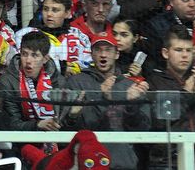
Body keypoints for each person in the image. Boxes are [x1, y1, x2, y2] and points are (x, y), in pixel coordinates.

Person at [62, 34, 151, 169]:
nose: (103, 54)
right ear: (91, 54)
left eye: (108, 50)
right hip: (87, 162)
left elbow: (144, 130)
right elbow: (65, 127)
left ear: (117, 54)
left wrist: (131, 105)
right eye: (98, 50)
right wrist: (102, 97)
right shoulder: (76, 83)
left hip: (122, 163)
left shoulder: (129, 86)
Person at [147, 25, 195, 169]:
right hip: (167, 161)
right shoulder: (154, 82)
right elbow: (160, 122)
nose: (185, 55)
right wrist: (186, 93)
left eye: (188, 50)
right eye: (179, 50)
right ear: (165, 53)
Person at [0, 30, 65, 132]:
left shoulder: (58, 81)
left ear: (45, 59)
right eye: (24, 54)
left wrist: (73, 116)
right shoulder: (7, 82)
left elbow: (63, 125)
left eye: (34, 55)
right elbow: (11, 124)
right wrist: (37, 125)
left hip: (55, 144)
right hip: (20, 144)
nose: (28, 60)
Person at [17, 0, 92, 76]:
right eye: (45, 9)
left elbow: (90, 64)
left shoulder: (80, 36)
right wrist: (61, 67)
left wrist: (77, 67)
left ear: (67, 13)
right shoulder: (25, 35)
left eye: (55, 10)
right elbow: (19, 63)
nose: (49, 14)